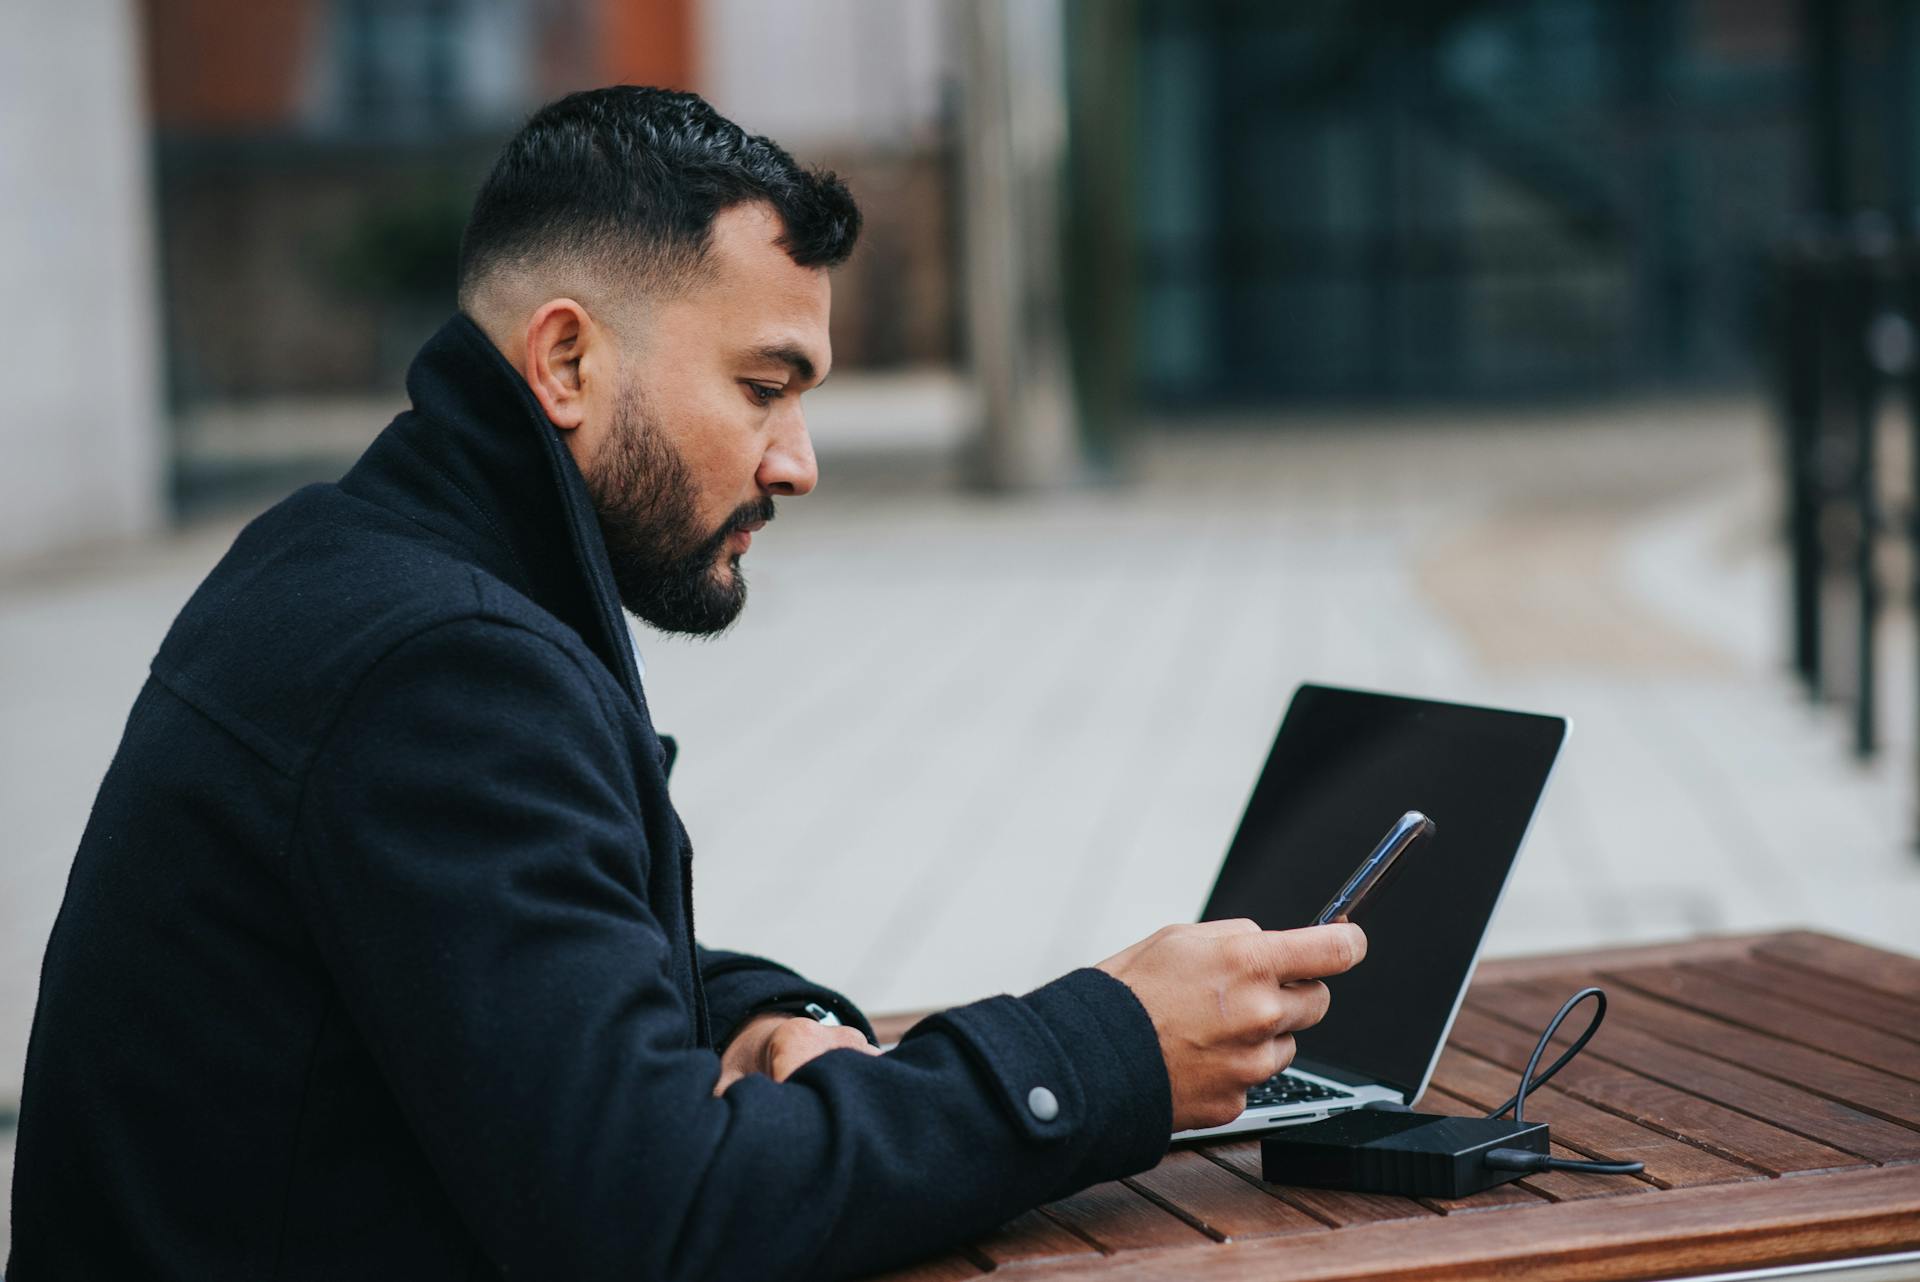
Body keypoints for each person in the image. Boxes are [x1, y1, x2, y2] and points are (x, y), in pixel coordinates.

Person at [7, 87, 1364, 1281]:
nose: (799, 461)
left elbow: (539, 955)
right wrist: (1110, 1050)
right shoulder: (440, 666)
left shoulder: (357, 557)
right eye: (763, 386)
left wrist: (787, 1018)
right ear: (568, 361)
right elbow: (658, 1218)